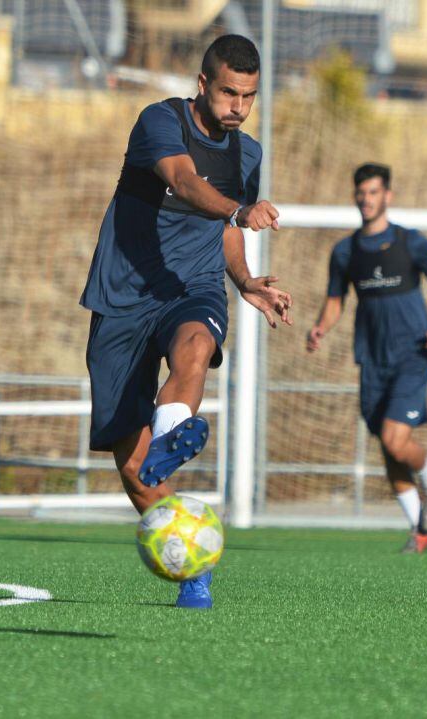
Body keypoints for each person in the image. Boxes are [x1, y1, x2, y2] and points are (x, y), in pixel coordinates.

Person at [80, 34, 292, 608]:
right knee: (135, 473)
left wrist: (246, 281)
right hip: (122, 297)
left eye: (248, 97)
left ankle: (171, 438)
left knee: (196, 347)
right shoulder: (159, 121)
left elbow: (226, 231)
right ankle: (187, 558)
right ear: (204, 84)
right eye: (229, 92)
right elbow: (185, 181)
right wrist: (240, 209)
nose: (238, 108)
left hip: (190, 289)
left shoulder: (247, 154)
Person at [305, 163, 427, 553]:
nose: (366, 199)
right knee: (387, 447)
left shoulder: (411, 242)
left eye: (374, 192)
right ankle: (419, 533)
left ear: (387, 195)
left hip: (413, 353)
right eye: (361, 192)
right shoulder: (345, 251)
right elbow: (336, 300)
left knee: (395, 438)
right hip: (371, 358)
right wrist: (321, 327)